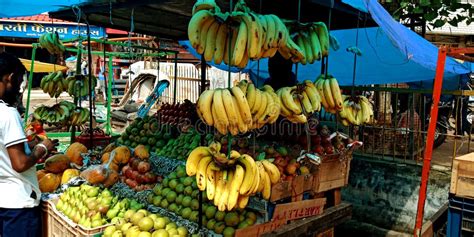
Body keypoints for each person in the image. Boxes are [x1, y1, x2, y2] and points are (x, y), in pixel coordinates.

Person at [0, 52, 57, 237]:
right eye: (18, 82)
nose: (19, 89)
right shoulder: (8, 114)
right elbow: (20, 164)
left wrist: (27, 145)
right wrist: (43, 148)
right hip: (18, 205)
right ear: (10, 78)